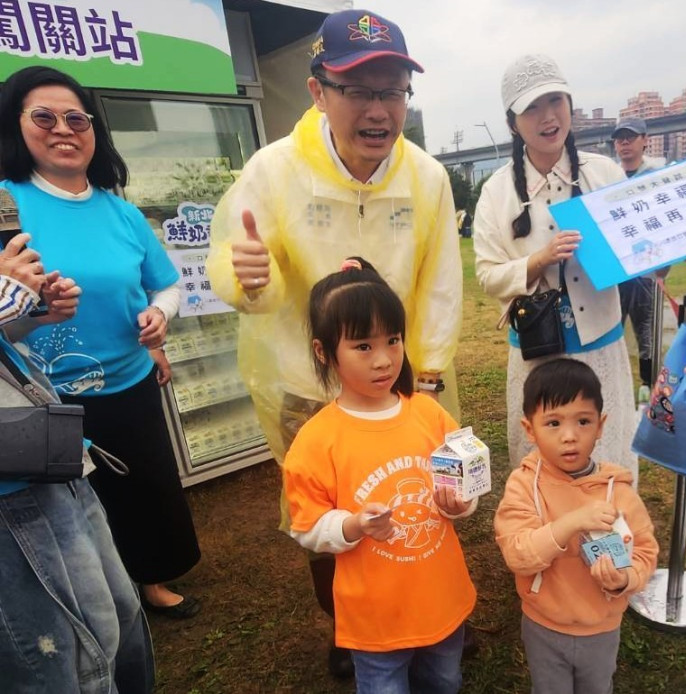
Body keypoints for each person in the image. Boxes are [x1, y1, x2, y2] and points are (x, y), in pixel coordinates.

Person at [206, 10, 463, 674]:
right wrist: (245, 278)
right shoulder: (276, 169)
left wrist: (428, 373)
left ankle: (420, 613)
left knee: (407, 497)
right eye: (360, 90)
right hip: (308, 386)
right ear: (319, 91)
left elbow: (439, 282)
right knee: (327, 519)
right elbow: (237, 263)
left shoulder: (426, 178)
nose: (379, 110)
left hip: (396, 377)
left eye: (393, 91)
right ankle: (349, 627)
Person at [0, 66, 201, 618]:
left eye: (76, 118)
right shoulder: (5, 204)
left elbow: (164, 284)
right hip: (46, 397)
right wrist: (31, 311)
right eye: (43, 117)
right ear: (17, 127)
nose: (62, 129)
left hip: (130, 380)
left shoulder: (122, 212)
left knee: (144, 487)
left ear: (94, 131)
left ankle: (153, 580)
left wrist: (159, 318)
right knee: (73, 504)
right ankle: (100, 603)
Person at [282, 258, 476, 694]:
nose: (384, 359)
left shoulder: (427, 413)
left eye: (393, 340)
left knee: (445, 680)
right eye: (363, 346)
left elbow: (466, 474)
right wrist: (352, 525)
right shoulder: (316, 442)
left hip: (439, 596)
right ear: (323, 351)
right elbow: (308, 526)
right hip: (374, 615)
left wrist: (462, 501)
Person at [0, 236, 155, 692]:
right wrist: (5, 294)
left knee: (117, 622)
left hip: (54, 464)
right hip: (10, 503)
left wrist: (28, 316)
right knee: (63, 659)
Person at [473, 54, 638, 476]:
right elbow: (488, 276)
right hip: (535, 351)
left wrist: (664, 254)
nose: (548, 117)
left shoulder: (604, 174)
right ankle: (543, 538)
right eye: (532, 107)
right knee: (539, 459)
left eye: (555, 101)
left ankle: (609, 534)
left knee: (607, 447)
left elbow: (637, 250)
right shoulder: (496, 191)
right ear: (513, 123)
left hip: (600, 342)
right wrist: (539, 260)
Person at [494, 358, 658, 693]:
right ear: (530, 429)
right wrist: (570, 523)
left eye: (583, 421)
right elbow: (518, 554)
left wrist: (623, 580)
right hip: (544, 627)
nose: (570, 436)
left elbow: (644, 551)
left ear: (600, 425)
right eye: (553, 423)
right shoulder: (524, 485)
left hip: (602, 628)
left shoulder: (619, 492)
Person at [610, 116, 666, 394]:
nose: (624, 143)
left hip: (645, 272)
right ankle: (611, 391)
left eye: (630, 137)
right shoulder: (608, 179)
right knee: (610, 333)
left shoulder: (658, 177)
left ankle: (650, 388)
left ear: (645, 140)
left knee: (647, 334)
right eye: (619, 138)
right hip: (615, 273)